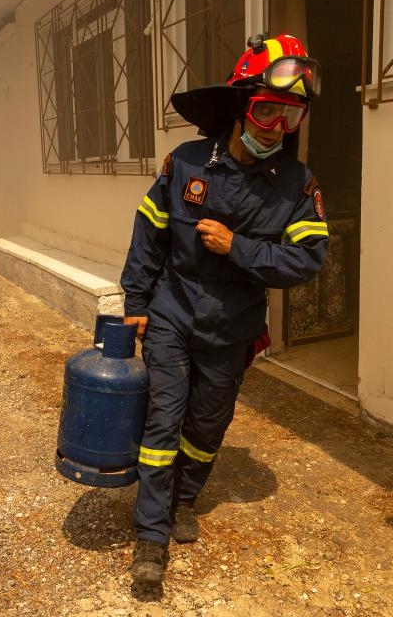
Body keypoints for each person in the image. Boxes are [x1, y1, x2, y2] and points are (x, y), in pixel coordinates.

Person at [119, 33, 330, 590]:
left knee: (206, 426)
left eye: (290, 116)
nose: (275, 127)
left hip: (233, 329)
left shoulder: (296, 184)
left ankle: (185, 498)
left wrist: (237, 246)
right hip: (172, 313)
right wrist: (137, 302)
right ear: (242, 104)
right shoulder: (186, 162)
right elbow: (149, 238)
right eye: (266, 109)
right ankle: (151, 536)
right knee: (163, 419)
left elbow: (309, 259)